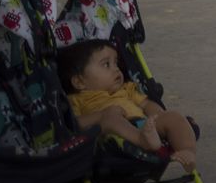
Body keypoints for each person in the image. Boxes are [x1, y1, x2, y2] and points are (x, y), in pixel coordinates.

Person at [59, 40, 196, 173]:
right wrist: (101, 116)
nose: (116, 69)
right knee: (111, 118)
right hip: (110, 137)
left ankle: (187, 152)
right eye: (106, 64)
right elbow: (74, 125)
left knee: (173, 117)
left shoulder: (127, 89)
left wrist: (158, 118)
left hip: (143, 126)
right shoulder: (77, 99)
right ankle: (143, 140)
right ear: (79, 82)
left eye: (116, 63)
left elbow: (146, 104)